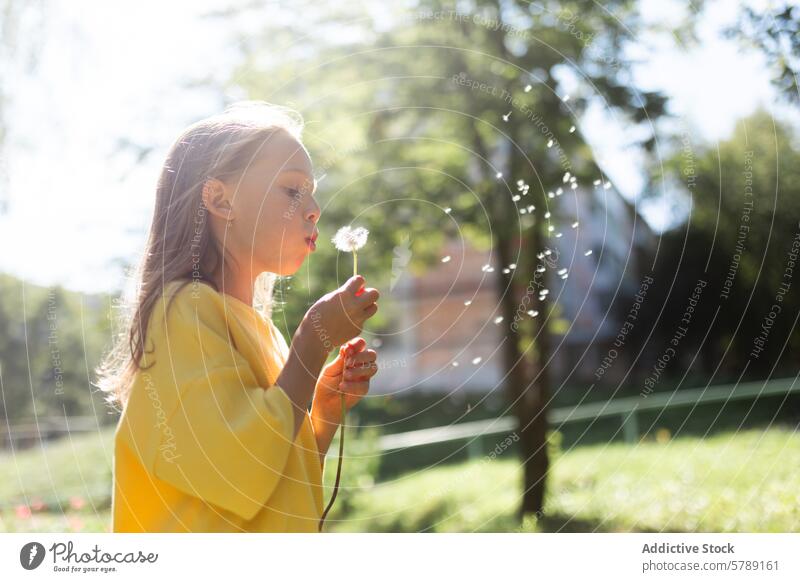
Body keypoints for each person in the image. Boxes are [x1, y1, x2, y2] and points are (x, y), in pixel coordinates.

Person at [95, 101, 380, 532]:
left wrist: (321, 408)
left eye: (313, 192)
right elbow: (235, 471)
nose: (315, 208)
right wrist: (313, 341)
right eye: (292, 190)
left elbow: (279, 486)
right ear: (221, 199)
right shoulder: (183, 312)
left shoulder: (263, 333)